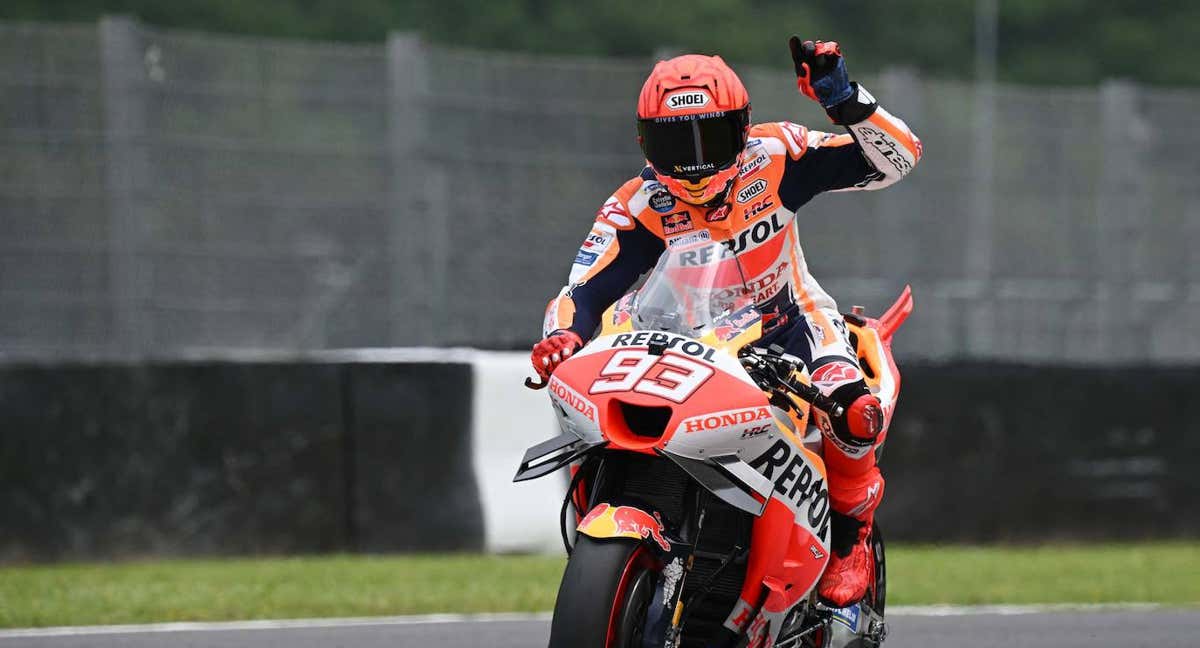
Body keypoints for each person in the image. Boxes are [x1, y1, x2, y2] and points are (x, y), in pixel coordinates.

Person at [531, 38, 921, 608]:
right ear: (645, 142)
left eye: (709, 138)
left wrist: (843, 99)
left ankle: (849, 538)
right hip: (671, 337)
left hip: (789, 325)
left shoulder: (778, 155)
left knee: (854, 412)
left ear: (741, 129)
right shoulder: (637, 203)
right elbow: (583, 290)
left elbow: (898, 159)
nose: (693, 164)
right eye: (674, 142)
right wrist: (561, 337)